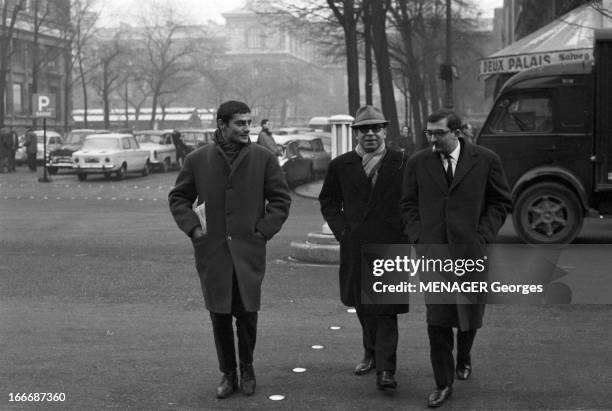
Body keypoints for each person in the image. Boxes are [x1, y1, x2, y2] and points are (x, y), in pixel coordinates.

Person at [168, 100, 291, 399]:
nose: (246, 128)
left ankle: (247, 368)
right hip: (213, 253)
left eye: (248, 122)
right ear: (222, 125)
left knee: (247, 314)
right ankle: (228, 373)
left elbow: (280, 200)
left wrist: (262, 232)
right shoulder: (197, 160)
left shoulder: (263, 158)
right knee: (219, 315)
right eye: (239, 123)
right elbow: (179, 198)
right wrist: (195, 230)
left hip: (249, 252)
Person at [399, 109, 511, 408]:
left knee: (469, 314)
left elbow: (500, 202)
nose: (432, 138)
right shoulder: (417, 162)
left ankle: (464, 355)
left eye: (439, 133)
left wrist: (483, 236)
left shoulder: (486, 160)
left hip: (471, 251)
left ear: (457, 132)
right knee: (437, 318)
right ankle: (443, 382)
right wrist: (418, 238)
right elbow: (407, 204)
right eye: (429, 133)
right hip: (433, 253)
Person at [319, 105, 409, 390]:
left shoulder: (402, 162)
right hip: (355, 245)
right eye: (363, 129)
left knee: (386, 310)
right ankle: (370, 352)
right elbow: (329, 202)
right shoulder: (341, 165)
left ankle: (386, 369)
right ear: (355, 132)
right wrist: (343, 231)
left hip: (390, 244)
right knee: (362, 305)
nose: (370, 134)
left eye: (376, 128)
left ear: (385, 130)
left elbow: (412, 202)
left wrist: (406, 233)